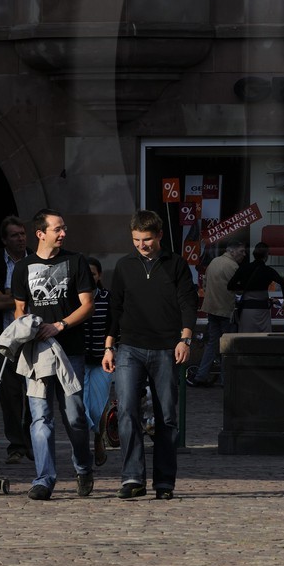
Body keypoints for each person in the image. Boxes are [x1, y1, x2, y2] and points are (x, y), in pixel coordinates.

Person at [104, 210, 195, 500]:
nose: (141, 245)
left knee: (166, 416)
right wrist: (108, 346)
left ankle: (164, 482)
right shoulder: (124, 266)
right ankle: (132, 478)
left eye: (147, 239)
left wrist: (185, 339)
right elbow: (114, 308)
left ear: (159, 236)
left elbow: (188, 304)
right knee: (128, 411)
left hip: (167, 347)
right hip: (129, 346)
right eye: (136, 240)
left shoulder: (176, 265)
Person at [11, 208, 96, 501]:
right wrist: (23, 331)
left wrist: (60, 325)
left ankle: (83, 467)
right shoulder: (23, 268)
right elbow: (19, 309)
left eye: (64, 229)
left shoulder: (76, 262)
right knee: (40, 417)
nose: (63, 233)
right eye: (57, 229)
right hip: (36, 354)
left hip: (70, 351)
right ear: (41, 233)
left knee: (73, 416)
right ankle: (44, 479)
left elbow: (87, 305)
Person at [0, 215, 31, 462]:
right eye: (14, 235)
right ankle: (16, 445)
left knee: (35, 392)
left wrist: (12, 293)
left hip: (34, 337)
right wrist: (22, 296)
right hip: (5, 338)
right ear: (4, 240)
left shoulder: (35, 261)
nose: (20, 238)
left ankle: (34, 442)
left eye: (22, 234)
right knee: (10, 395)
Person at [192, 240, 242, 385]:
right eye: (241, 251)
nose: (243, 254)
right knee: (226, 345)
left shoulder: (213, 262)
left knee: (212, 343)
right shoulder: (233, 266)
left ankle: (201, 375)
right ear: (232, 251)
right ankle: (225, 379)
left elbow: (205, 285)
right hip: (226, 310)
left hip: (211, 309)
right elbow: (238, 289)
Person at [82, 257, 112, 467]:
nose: (90, 278)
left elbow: (114, 326)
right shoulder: (74, 299)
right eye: (86, 274)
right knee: (80, 406)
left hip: (103, 359)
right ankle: (82, 448)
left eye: (93, 273)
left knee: (99, 406)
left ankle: (98, 438)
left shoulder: (108, 298)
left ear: (99, 275)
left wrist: (112, 349)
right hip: (79, 360)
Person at [227, 242, 284, 334]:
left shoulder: (244, 268)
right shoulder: (268, 271)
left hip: (247, 311)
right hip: (263, 310)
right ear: (266, 255)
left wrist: (243, 286)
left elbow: (230, 285)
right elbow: (283, 284)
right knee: (263, 339)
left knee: (246, 338)